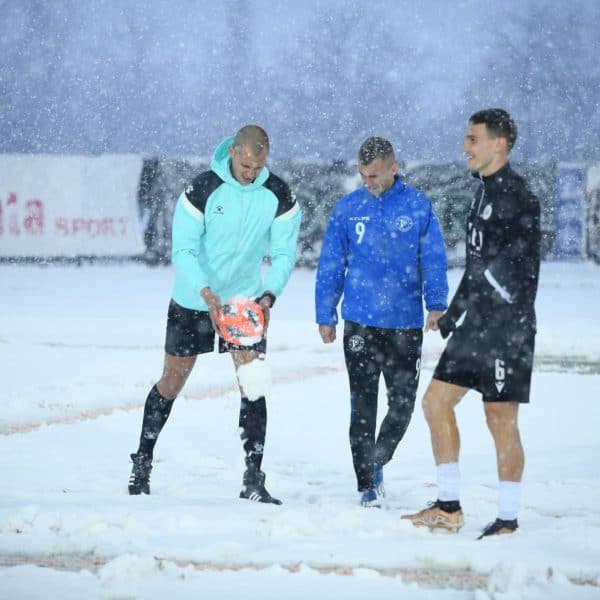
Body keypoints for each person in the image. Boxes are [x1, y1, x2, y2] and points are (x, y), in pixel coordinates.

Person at [127, 125, 301, 504]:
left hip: (244, 306)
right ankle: (142, 462)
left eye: (258, 165)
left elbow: (285, 254)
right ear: (233, 151)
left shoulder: (280, 195)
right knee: (171, 383)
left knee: (253, 384)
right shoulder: (202, 188)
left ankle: (253, 479)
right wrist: (204, 291)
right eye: (245, 162)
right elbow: (183, 251)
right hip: (193, 302)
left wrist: (268, 296)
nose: (251, 171)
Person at [401, 108, 541, 538]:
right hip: (475, 327)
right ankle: (448, 507)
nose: (465, 147)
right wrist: (452, 317)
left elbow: (516, 272)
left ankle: (508, 520)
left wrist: (494, 316)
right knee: (435, 405)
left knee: (500, 420)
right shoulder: (480, 192)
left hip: (506, 331)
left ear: (499, 143)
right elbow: (477, 268)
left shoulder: (519, 196)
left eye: (472, 139)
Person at [315, 137, 449, 507]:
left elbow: (433, 259)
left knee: (403, 406)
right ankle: (366, 484)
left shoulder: (418, 207)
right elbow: (331, 265)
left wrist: (436, 304)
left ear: (393, 168)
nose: (367, 181)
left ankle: (378, 459)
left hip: (405, 325)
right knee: (362, 406)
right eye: (362, 175)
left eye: (373, 175)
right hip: (359, 323)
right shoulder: (347, 209)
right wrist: (326, 313)